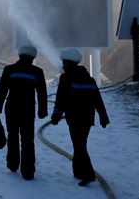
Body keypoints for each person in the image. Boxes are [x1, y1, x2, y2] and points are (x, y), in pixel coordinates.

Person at [50, 48, 110, 187]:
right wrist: (103, 116)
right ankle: (77, 171)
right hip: (87, 118)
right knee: (80, 144)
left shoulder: (65, 79)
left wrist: (56, 116)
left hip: (74, 118)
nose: (63, 65)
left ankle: (89, 174)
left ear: (69, 64)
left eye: (64, 63)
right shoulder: (89, 79)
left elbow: (61, 100)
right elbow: (97, 99)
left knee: (79, 145)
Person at [0, 46, 48, 180]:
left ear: (20, 55)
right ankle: (28, 171)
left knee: (12, 136)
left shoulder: (9, 70)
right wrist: (42, 110)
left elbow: (2, 90)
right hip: (28, 109)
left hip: (11, 108)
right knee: (28, 139)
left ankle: (12, 164)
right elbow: (42, 93)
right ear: (33, 57)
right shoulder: (37, 72)